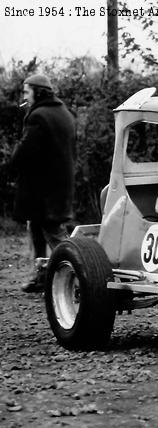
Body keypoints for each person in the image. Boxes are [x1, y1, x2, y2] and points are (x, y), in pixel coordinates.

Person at [9, 74, 76, 293]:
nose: (24, 96)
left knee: (53, 230)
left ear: (38, 92)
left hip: (44, 188)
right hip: (59, 184)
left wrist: (9, 166)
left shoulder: (38, 116)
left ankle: (80, 275)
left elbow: (26, 150)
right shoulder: (64, 113)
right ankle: (42, 276)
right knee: (37, 226)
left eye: (27, 92)